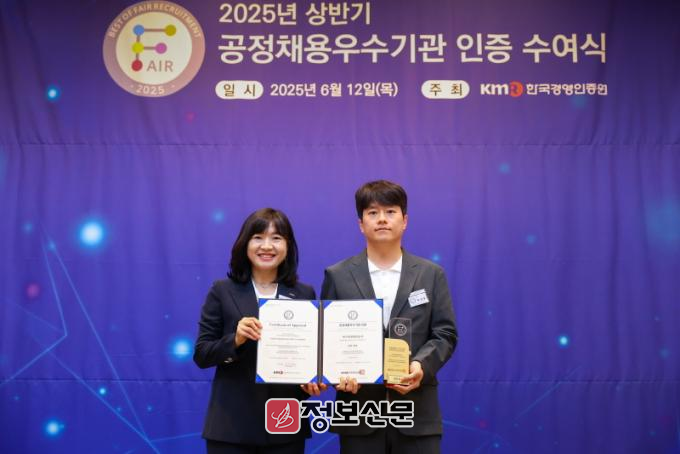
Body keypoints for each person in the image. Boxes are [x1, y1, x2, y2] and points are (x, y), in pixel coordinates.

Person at [321, 180, 458, 454]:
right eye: (372, 212)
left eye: (390, 211)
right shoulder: (337, 275)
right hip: (358, 414)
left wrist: (420, 366)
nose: (382, 219)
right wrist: (336, 374)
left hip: (417, 414)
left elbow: (445, 333)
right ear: (361, 224)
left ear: (404, 220)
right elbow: (326, 338)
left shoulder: (431, 274)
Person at [194, 208, 321, 454]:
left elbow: (309, 357)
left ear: (288, 246)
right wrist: (236, 339)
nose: (267, 246)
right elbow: (202, 354)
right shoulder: (222, 290)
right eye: (258, 237)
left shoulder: (304, 293)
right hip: (231, 427)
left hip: (284, 423)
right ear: (245, 244)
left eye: (276, 238)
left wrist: (312, 380)